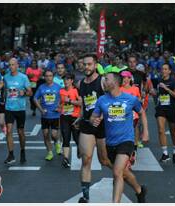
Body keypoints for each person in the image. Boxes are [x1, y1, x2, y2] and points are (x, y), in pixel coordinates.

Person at [90, 72, 147, 203]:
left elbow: (141, 112)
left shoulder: (130, 99)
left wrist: (145, 132)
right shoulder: (102, 100)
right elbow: (93, 116)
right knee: (123, 172)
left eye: (106, 79)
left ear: (115, 82)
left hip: (126, 140)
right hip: (110, 143)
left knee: (117, 173)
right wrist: (94, 120)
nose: (103, 81)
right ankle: (139, 190)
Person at [77, 54, 111, 203]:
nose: (86, 67)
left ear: (96, 64)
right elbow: (84, 103)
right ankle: (85, 196)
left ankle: (124, 174)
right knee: (86, 159)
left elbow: (111, 101)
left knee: (104, 160)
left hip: (102, 125)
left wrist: (101, 117)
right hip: (87, 124)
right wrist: (80, 116)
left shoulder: (103, 81)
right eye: (84, 64)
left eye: (90, 64)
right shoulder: (81, 84)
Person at [3, 58, 32, 164]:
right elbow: (4, 90)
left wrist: (24, 92)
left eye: (13, 65)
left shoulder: (23, 77)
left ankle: (22, 151)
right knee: (9, 130)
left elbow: (30, 92)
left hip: (20, 108)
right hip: (9, 108)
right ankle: (11, 155)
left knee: (20, 132)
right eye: (9, 65)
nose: (11, 67)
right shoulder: (5, 77)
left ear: (17, 65)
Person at [34, 70, 62, 161]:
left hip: (55, 115)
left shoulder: (58, 87)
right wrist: (41, 110)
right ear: (44, 77)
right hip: (45, 115)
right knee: (45, 134)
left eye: (50, 76)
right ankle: (49, 152)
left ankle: (57, 142)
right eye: (46, 76)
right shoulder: (41, 87)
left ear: (53, 77)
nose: (48, 78)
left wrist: (59, 107)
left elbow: (64, 99)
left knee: (54, 134)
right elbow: (35, 98)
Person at [155, 63, 175, 163]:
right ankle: (165, 153)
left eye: (166, 69)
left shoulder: (174, 81)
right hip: (161, 107)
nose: (163, 71)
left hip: (171, 108)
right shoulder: (159, 80)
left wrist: (167, 89)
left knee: (173, 131)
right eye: (162, 69)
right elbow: (158, 94)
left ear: (170, 71)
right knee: (161, 130)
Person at [59, 73, 82, 167]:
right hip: (64, 117)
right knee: (66, 138)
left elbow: (81, 103)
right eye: (64, 80)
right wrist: (58, 107)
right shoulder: (60, 91)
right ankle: (65, 159)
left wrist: (70, 101)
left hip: (75, 118)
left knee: (77, 139)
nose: (66, 82)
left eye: (68, 79)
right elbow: (59, 103)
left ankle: (79, 149)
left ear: (72, 81)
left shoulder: (76, 91)